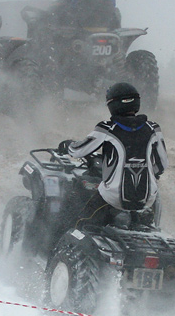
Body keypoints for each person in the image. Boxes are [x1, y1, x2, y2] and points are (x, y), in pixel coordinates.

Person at [56, 82, 168, 228]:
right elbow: (162, 165)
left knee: (80, 223)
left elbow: (79, 151)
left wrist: (67, 146)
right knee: (145, 227)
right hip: (145, 201)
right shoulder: (153, 129)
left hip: (112, 198)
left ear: (112, 104)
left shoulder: (107, 128)